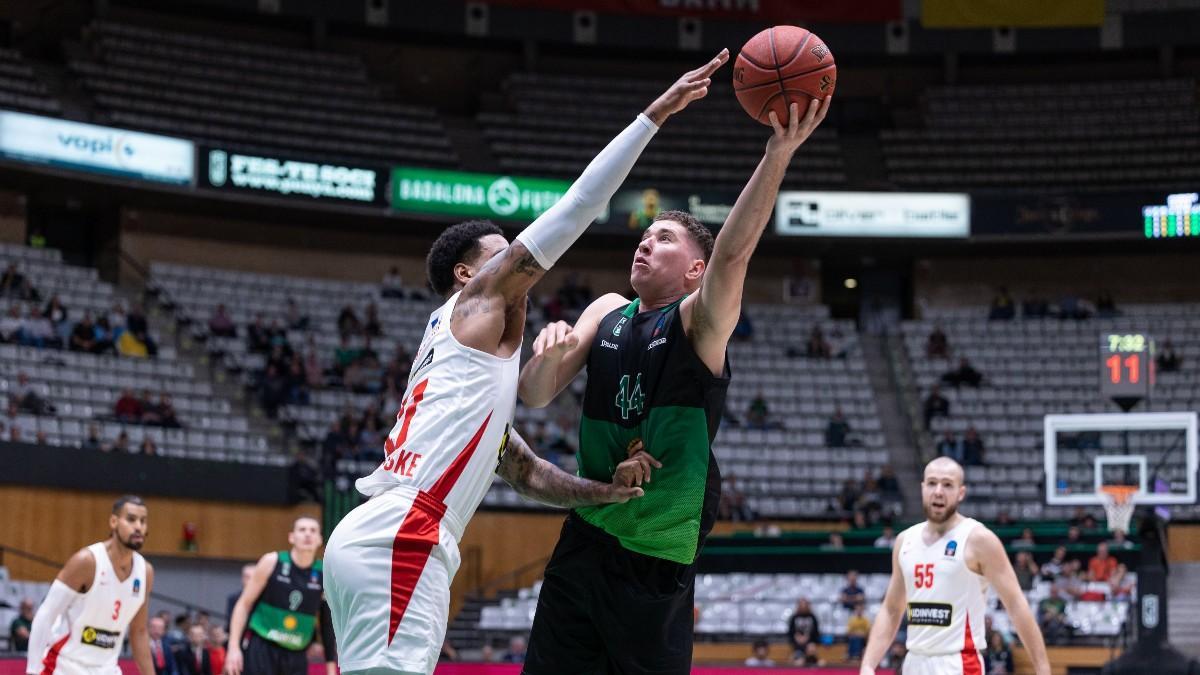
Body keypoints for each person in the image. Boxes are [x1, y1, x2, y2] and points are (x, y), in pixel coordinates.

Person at [322, 53, 725, 675]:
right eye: (500, 253)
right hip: (405, 536)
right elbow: (578, 207)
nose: (517, 257)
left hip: (373, 535)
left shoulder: (465, 366)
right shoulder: (477, 301)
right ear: (467, 274)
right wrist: (654, 115)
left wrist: (602, 493)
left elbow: (526, 472)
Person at [517, 88, 830, 675]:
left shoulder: (698, 322)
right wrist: (545, 353)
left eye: (664, 239)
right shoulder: (606, 309)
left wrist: (777, 154)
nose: (645, 241)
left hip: (657, 546)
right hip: (586, 534)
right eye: (644, 235)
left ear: (695, 271)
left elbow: (733, 256)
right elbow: (534, 395)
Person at [858, 457, 1050, 675]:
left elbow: (1016, 604)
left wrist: (1042, 668)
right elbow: (892, 609)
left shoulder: (978, 539)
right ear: (922, 488)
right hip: (914, 662)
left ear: (961, 492)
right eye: (932, 483)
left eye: (947, 484)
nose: (938, 491)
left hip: (957, 663)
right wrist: (868, 664)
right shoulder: (905, 541)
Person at [24, 495, 156, 675]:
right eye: (131, 519)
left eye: (143, 521)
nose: (138, 527)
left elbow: (139, 631)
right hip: (65, 666)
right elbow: (46, 614)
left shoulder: (145, 572)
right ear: (114, 521)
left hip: (107, 669)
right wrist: (32, 671)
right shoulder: (87, 562)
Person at [224, 517, 337, 675]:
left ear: (319, 540)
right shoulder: (272, 561)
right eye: (302, 530)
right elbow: (244, 604)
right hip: (263, 647)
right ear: (292, 537)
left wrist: (331, 664)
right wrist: (233, 647)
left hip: (297, 653)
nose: (307, 534)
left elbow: (326, 622)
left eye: (313, 531)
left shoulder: (323, 573)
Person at [226, 564, 256, 630]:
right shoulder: (233, 598)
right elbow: (230, 622)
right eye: (247, 577)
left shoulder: (265, 599)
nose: (249, 580)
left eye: (253, 577)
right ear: (242, 578)